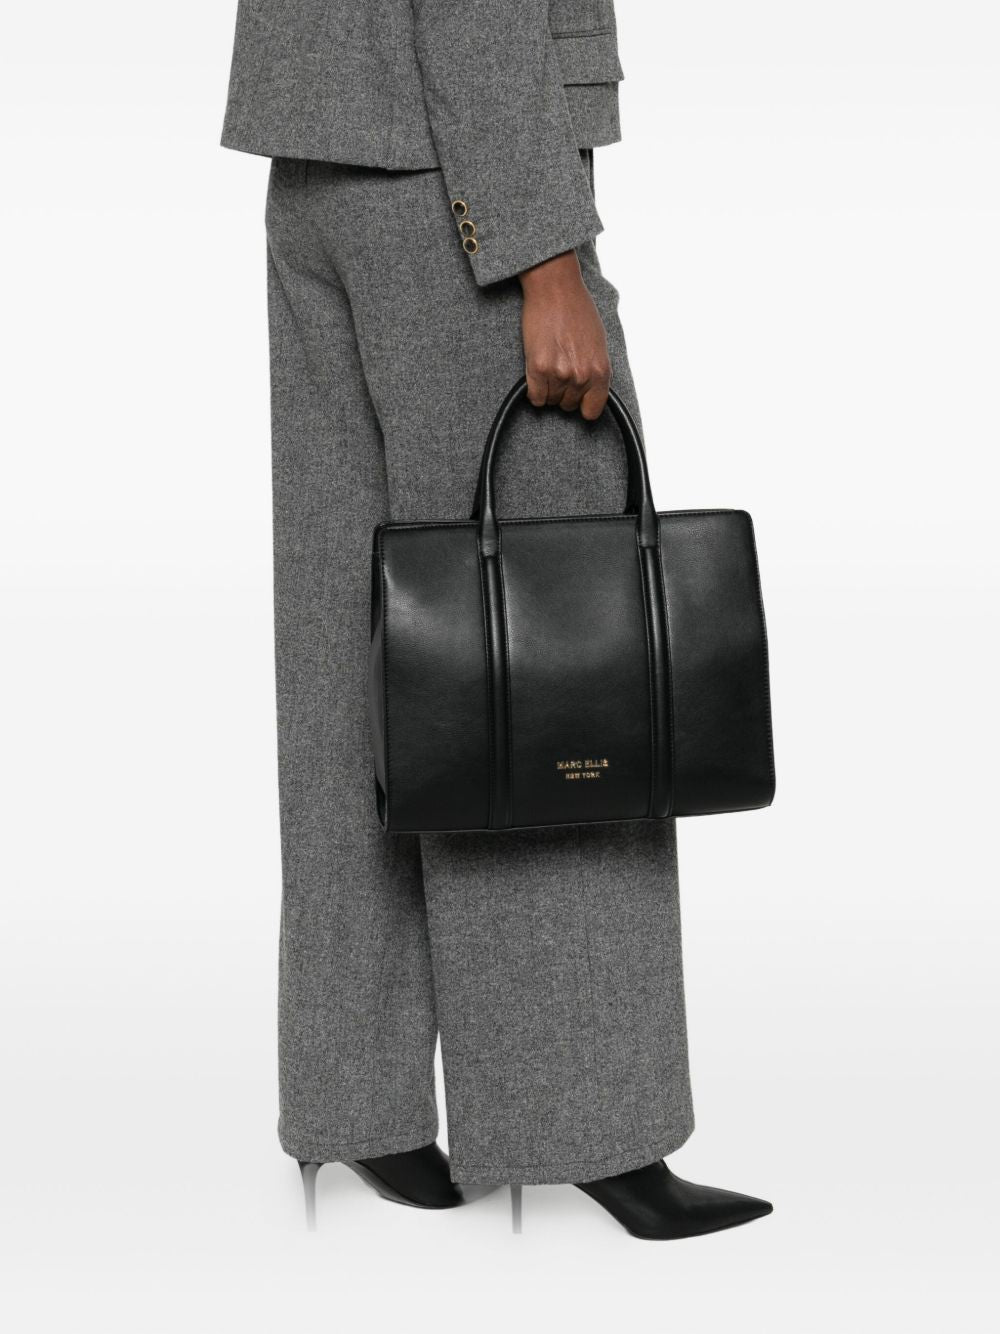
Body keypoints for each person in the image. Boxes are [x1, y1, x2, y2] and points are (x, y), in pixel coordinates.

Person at [221, 0, 772, 1239]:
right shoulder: (497, 211)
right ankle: (587, 1124)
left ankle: (355, 1097)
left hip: (322, 159)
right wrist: (540, 252)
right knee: (558, 661)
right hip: (458, 183)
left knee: (362, 651)